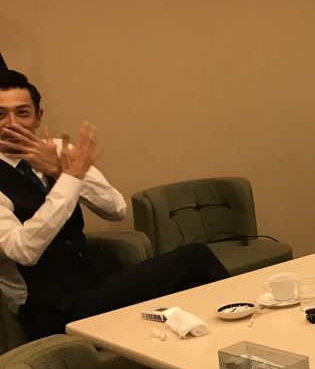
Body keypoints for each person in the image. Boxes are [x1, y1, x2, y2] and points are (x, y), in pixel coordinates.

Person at [0, 69, 229, 340]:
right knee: (195, 258)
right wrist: (70, 179)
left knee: (189, 292)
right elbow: (23, 251)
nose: (12, 124)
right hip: (50, 309)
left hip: (94, 281)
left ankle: (225, 343)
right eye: (1, 115)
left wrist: (60, 172)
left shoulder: (59, 152)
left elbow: (116, 209)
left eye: (22, 113)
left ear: (38, 117)